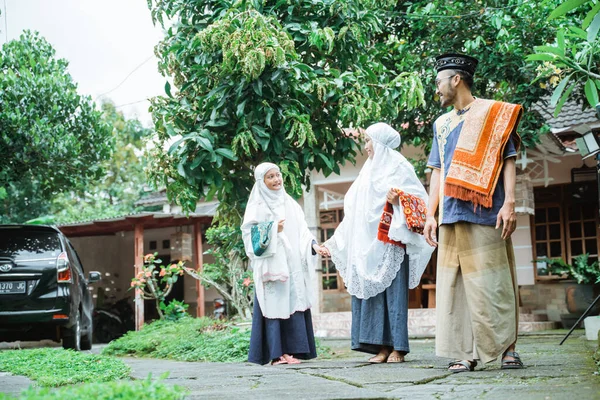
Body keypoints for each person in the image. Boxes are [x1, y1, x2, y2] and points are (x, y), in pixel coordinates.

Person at [424, 53, 525, 373]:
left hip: (487, 210)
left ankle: (508, 349)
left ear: (456, 80)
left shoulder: (494, 113)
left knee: (494, 284)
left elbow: (508, 159)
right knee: (457, 287)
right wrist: (430, 214)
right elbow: (437, 171)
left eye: (439, 82)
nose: (436, 89)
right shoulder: (441, 123)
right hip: (452, 214)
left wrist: (510, 202)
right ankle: (464, 352)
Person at [322, 123, 434, 363]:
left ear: (379, 142)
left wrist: (399, 200)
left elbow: (420, 201)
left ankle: (397, 349)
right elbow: (354, 212)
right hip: (368, 245)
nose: (366, 147)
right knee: (372, 296)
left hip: (392, 240)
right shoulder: (366, 171)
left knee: (394, 297)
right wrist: (333, 243)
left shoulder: (400, 166)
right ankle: (380, 348)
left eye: (368, 141)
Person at [242, 162, 328, 365]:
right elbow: (249, 237)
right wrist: (273, 230)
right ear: (261, 182)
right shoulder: (257, 205)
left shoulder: (290, 203)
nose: (276, 180)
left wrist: (314, 246)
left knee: (293, 303)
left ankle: (293, 351)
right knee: (275, 305)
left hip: (293, 265)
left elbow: (303, 231)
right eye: (270, 177)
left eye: (278, 175)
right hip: (273, 267)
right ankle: (276, 354)